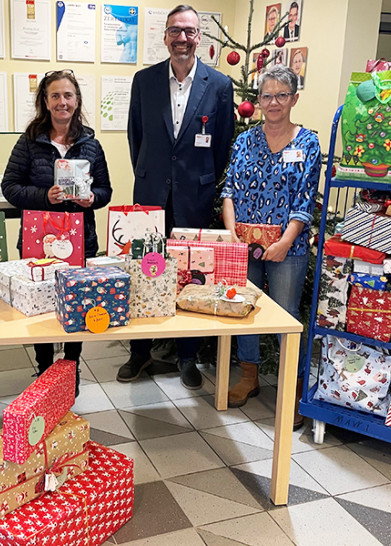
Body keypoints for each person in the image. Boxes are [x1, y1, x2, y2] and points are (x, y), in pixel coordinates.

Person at [121, 4, 234, 390]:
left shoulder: (218, 85)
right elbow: (136, 138)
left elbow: (221, 146)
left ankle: (188, 356)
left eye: (189, 31)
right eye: (175, 31)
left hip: (194, 200)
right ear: (165, 35)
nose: (182, 38)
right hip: (150, 197)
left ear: (199, 37)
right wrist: (150, 175)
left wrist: (198, 180)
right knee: (141, 271)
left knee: (193, 277)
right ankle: (140, 353)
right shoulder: (144, 81)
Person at [1, 70, 113, 395]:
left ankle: (71, 367)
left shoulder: (91, 143)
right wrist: (43, 196)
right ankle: (44, 367)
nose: (62, 102)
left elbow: (106, 190)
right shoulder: (30, 140)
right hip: (40, 241)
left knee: (77, 303)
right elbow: (9, 187)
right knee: (41, 304)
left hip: (81, 240)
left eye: (68, 95)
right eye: (55, 96)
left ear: (76, 101)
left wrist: (92, 198)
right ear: (45, 102)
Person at [221, 65, 321, 428]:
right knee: (244, 312)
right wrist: (231, 232)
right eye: (267, 96)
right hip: (244, 246)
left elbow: (304, 200)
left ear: (294, 98)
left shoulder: (307, 142)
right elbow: (229, 190)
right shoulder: (245, 140)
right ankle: (249, 377)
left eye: (282, 95)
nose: (274, 102)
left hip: (287, 249)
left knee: (286, 317)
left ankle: (292, 388)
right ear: (257, 101)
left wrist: (285, 241)